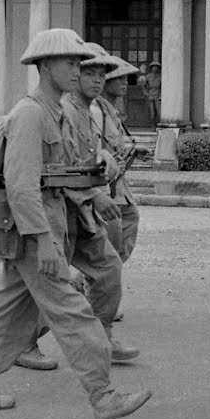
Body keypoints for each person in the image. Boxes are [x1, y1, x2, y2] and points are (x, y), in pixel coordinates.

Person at [0, 28, 151, 419]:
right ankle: (103, 395)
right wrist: (43, 242)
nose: (78, 70)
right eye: (70, 63)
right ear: (45, 66)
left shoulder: (56, 111)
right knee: (73, 310)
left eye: (79, 63)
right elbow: (22, 184)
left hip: (48, 225)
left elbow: (60, 172)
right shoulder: (30, 114)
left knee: (9, 307)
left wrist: (97, 173)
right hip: (33, 232)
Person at [57, 44, 138, 361]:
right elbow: (59, 167)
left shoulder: (89, 112)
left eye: (101, 74)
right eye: (89, 73)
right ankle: (20, 347)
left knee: (108, 269)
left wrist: (106, 163)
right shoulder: (65, 113)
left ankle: (101, 340)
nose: (97, 80)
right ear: (74, 76)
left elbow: (88, 160)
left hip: (84, 210)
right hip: (61, 212)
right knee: (39, 289)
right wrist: (94, 194)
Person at [97, 57, 143, 263]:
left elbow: (117, 154)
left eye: (126, 78)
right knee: (108, 244)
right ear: (105, 81)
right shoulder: (97, 112)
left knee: (129, 221)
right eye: (119, 78)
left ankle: (98, 278)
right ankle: (92, 281)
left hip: (119, 187)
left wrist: (133, 154)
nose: (125, 83)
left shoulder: (112, 112)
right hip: (104, 188)